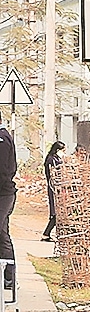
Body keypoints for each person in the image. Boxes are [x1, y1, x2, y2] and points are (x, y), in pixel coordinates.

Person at [0, 122, 16, 291]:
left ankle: (9, 276)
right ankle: (8, 277)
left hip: (3, 194)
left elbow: (4, 170)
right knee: (3, 234)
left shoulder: (3, 139)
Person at [42, 140, 66, 240]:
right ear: (57, 150)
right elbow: (54, 174)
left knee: (58, 212)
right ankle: (46, 234)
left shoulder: (55, 158)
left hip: (58, 187)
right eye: (63, 150)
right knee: (55, 212)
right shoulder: (51, 160)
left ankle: (48, 234)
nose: (64, 153)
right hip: (54, 188)